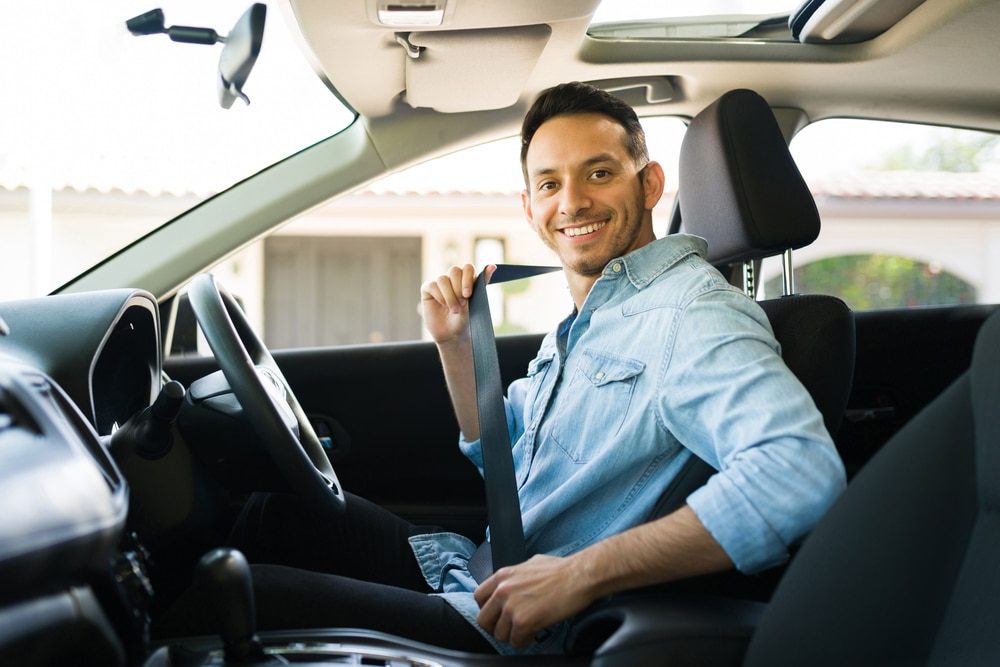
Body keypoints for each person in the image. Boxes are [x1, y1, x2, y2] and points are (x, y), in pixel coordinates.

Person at [158, 82, 845, 655]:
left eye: (599, 172)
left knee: (218, 600)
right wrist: (456, 346)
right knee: (267, 521)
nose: (571, 202)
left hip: (522, 628)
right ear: (529, 205)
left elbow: (797, 473)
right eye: (549, 183)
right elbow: (507, 470)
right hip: (474, 567)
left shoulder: (692, 313)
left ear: (650, 180)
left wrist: (580, 573)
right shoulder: (594, 313)